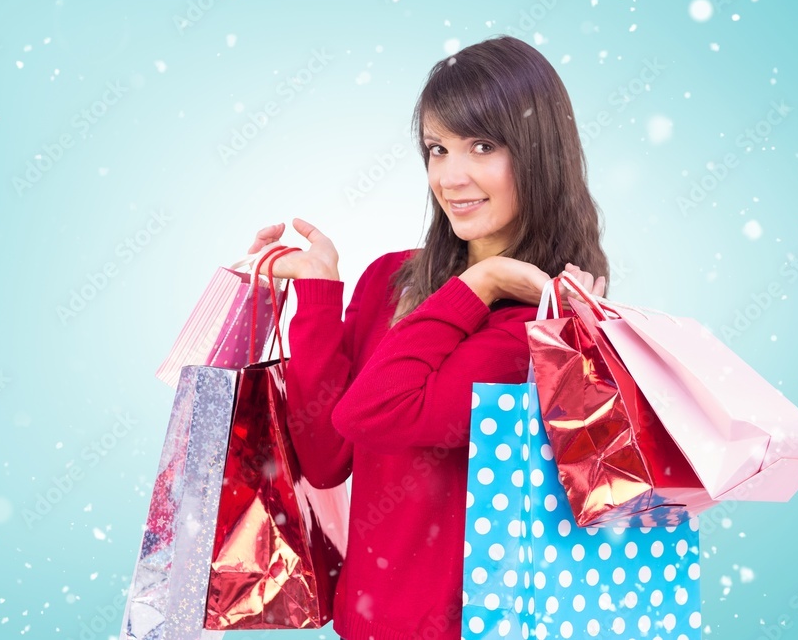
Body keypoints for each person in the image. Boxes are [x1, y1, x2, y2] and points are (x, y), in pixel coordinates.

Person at [247, 35, 609, 640]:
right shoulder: (392, 277)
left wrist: (487, 281)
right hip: (361, 624)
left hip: (477, 628)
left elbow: (373, 411)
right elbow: (325, 458)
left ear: (540, 153)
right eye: (437, 149)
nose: (452, 176)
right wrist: (318, 291)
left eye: (483, 146)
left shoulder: (536, 327)